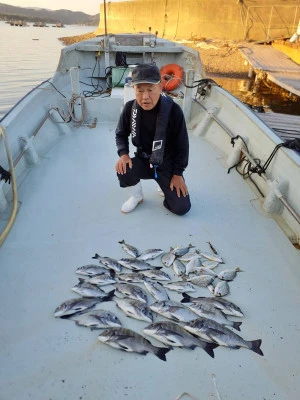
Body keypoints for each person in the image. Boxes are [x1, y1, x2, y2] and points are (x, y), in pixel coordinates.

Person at [115, 63, 191, 216]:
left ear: (160, 87)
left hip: (166, 162)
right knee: (122, 169)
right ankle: (137, 196)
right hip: (143, 159)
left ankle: (164, 185)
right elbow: (120, 134)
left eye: (150, 90)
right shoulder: (130, 109)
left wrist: (177, 174)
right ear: (134, 90)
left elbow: (182, 145)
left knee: (181, 208)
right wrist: (123, 154)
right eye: (140, 90)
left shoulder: (174, 111)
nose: (145, 97)